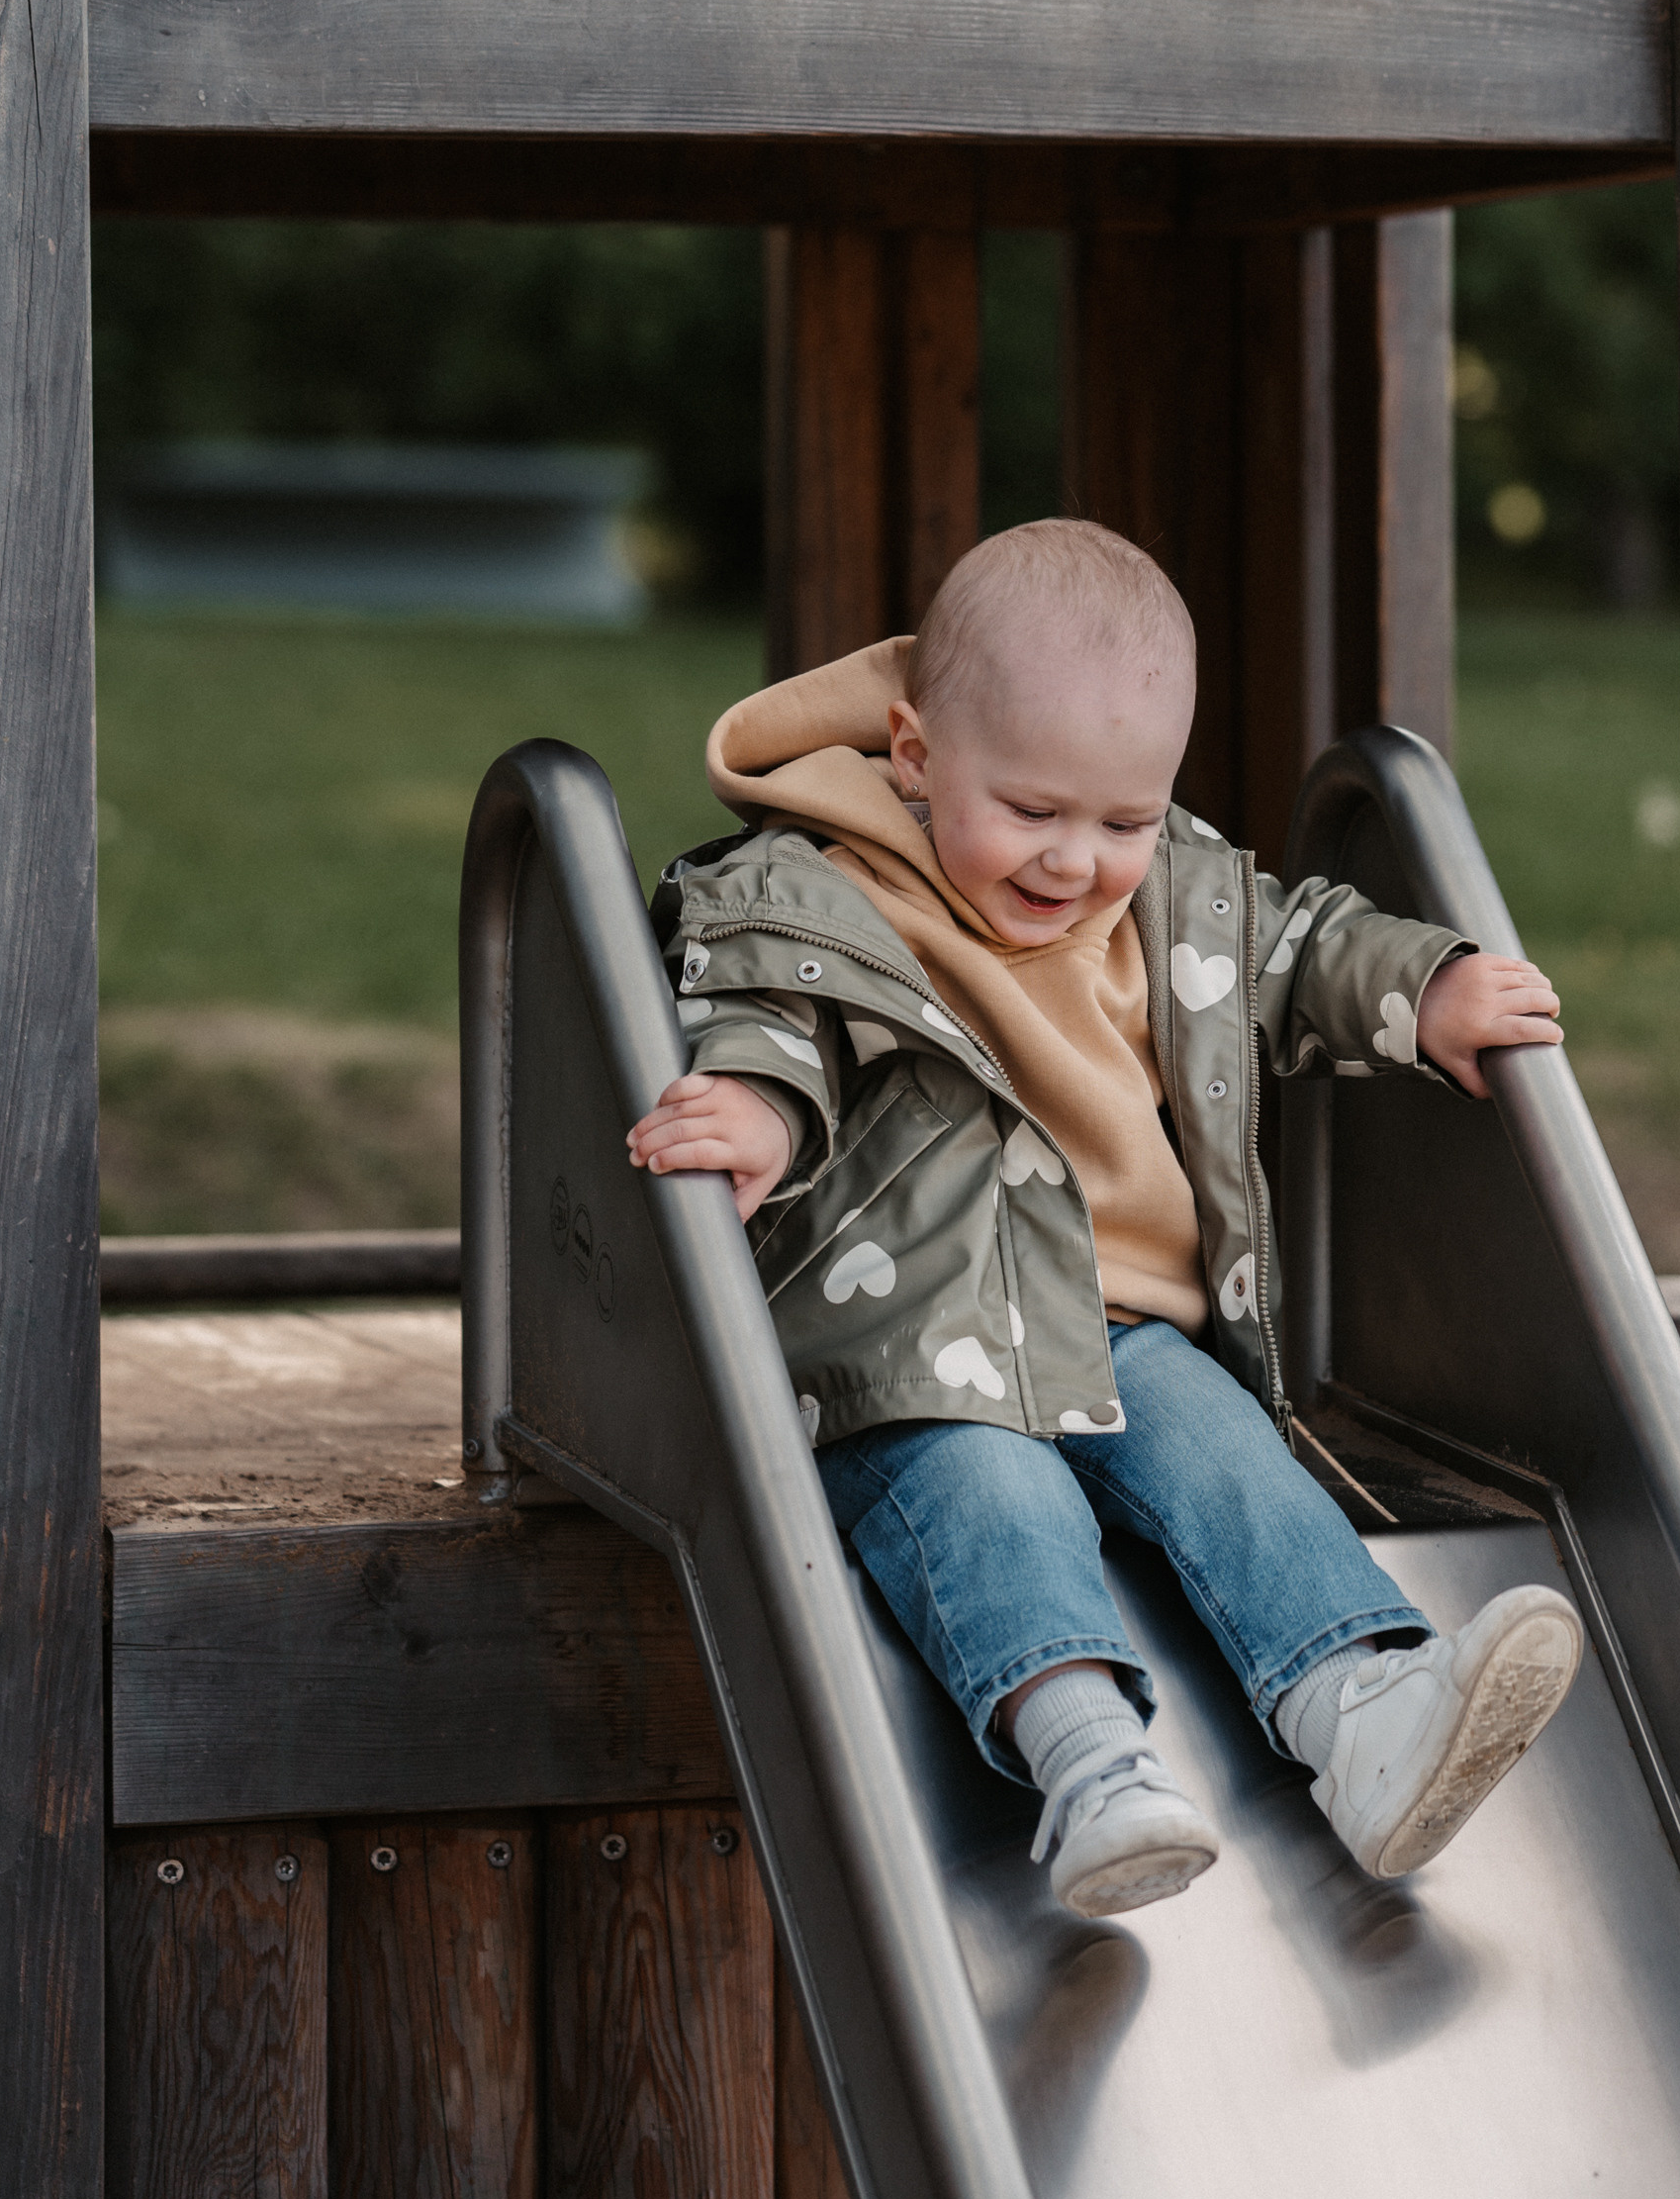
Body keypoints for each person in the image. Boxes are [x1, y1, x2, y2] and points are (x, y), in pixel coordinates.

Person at [630, 518, 1584, 1922]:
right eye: (1030, 812)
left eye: (1123, 822)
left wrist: (1424, 991)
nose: (1075, 860)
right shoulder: (815, 895)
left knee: (1232, 1464)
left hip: (1122, 1326)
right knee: (992, 1503)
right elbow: (771, 1023)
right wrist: (755, 1117)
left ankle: (1357, 1715)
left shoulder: (1172, 900)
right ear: (912, 755)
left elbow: (1299, 945)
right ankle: (1090, 1770)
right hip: (911, 1356)